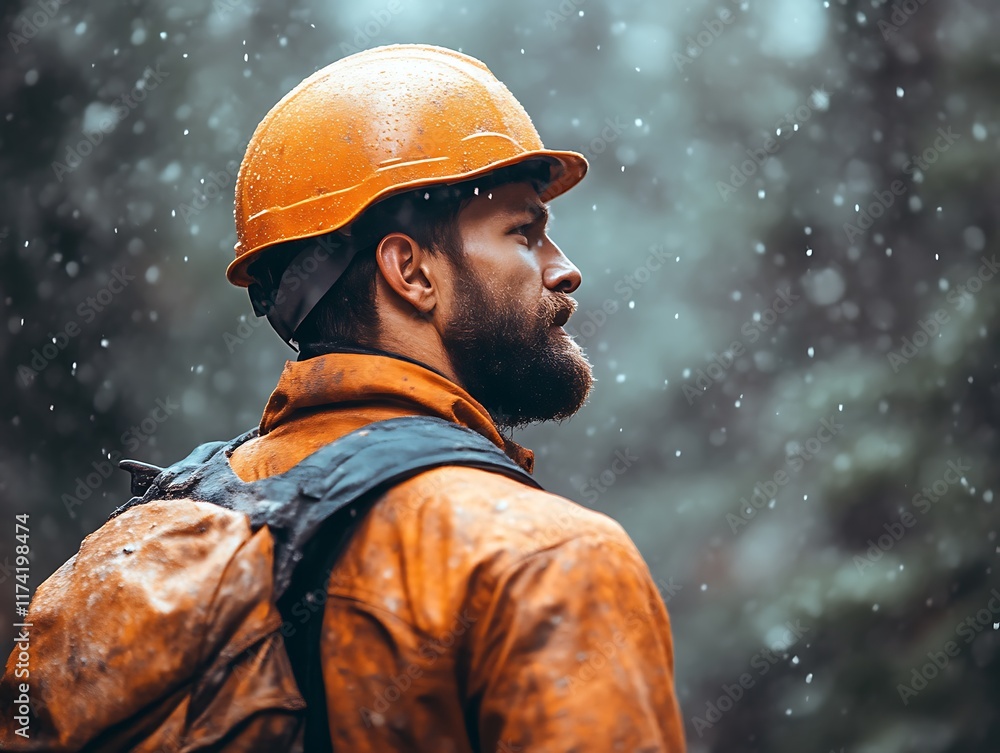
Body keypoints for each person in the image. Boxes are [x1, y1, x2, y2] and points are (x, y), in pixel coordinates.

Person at [1, 44, 686, 752]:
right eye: (525, 231)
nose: (565, 269)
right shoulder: (546, 565)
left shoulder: (99, 574)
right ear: (410, 271)